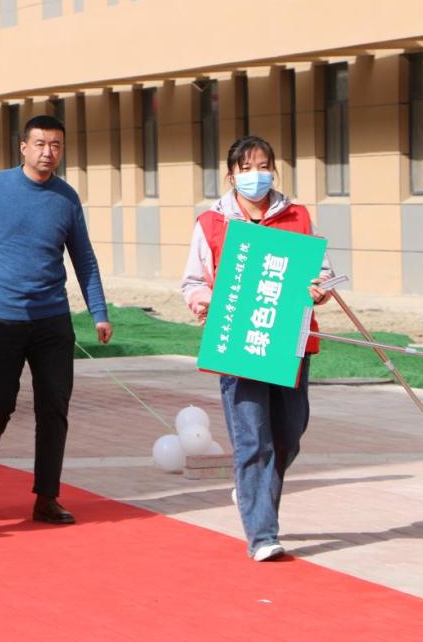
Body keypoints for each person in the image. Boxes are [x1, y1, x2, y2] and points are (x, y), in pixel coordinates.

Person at [0, 115, 113, 525]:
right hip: (0, 319)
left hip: (51, 320)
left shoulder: (66, 198)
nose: (48, 152)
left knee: (54, 407)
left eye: (56, 145)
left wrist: (99, 312)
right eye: (40, 144)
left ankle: (47, 496)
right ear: (23, 147)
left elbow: (84, 259)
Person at [181, 135, 332, 562]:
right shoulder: (212, 223)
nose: (256, 175)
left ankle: (250, 491)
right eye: (245, 168)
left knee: (288, 436)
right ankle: (262, 533)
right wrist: (203, 301)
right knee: (253, 440)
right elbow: (192, 282)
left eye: (263, 166)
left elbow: (322, 270)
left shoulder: (298, 216)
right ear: (231, 175)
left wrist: (319, 288)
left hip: (289, 343)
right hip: (238, 343)